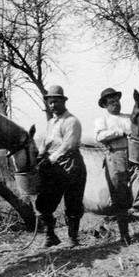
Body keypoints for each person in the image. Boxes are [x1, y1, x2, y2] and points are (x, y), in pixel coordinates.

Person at [94, 87, 139, 245]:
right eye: (111, 102)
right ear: (105, 105)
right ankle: (124, 236)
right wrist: (119, 132)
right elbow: (100, 136)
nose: (115, 104)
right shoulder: (103, 120)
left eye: (117, 101)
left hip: (135, 156)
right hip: (115, 158)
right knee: (119, 197)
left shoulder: (129, 117)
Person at [36, 85, 87, 248]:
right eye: (50, 103)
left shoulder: (71, 121)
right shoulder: (51, 123)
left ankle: (73, 238)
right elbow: (45, 143)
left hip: (71, 165)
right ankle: (50, 235)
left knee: (72, 203)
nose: (53, 106)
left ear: (63, 101)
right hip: (54, 167)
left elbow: (68, 146)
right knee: (44, 202)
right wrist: (39, 157)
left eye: (56, 102)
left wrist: (49, 159)